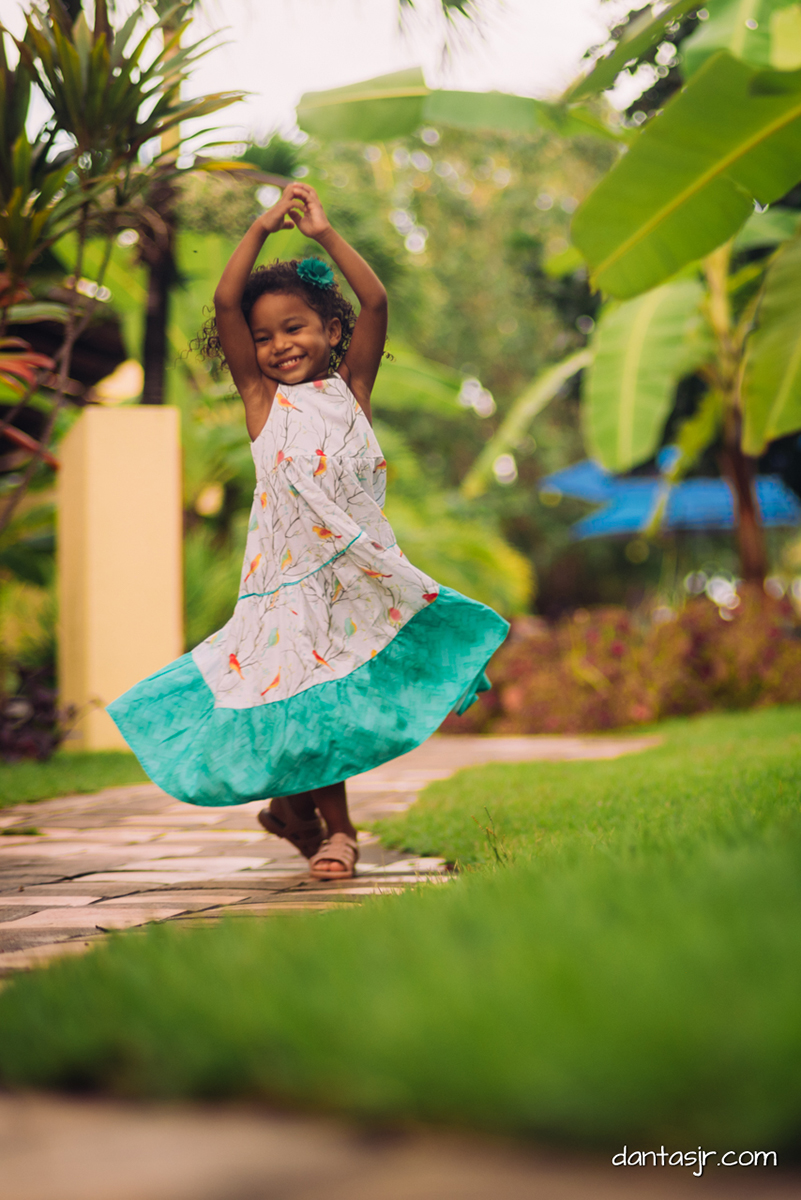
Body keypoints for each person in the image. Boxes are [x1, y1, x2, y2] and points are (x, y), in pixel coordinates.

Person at [108, 183, 509, 880]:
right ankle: (338, 833)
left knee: (320, 700)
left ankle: (294, 811)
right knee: (308, 697)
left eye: (294, 327)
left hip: (356, 575)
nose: (277, 345)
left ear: (330, 328)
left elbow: (377, 300)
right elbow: (225, 302)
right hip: (285, 585)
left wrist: (324, 233)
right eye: (264, 337)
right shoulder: (261, 402)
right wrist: (262, 227)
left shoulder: (352, 391)